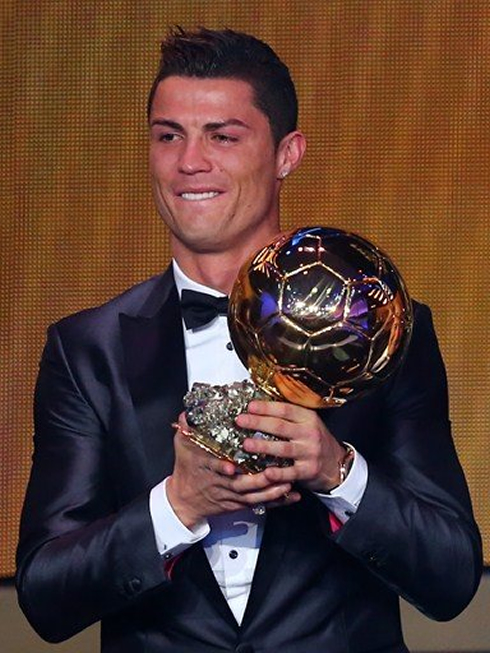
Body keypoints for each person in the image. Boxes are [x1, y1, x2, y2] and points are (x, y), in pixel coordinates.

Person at [16, 27, 482, 653]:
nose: (189, 163)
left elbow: (451, 579)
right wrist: (177, 505)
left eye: (223, 137)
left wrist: (337, 473)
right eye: (168, 136)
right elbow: (46, 598)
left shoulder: (380, 329)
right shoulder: (85, 350)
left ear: (287, 154)